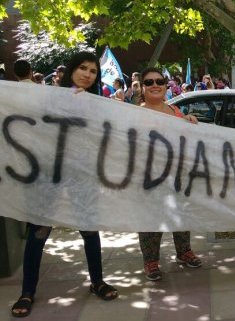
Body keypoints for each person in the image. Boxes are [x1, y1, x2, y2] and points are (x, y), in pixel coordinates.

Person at [11, 52, 118, 318]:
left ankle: (97, 282)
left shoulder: (98, 103)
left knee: (90, 230)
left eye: (93, 71)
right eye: (83, 68)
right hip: (49, 175)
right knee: (39, 231)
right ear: (72, 69)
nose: (87, 74)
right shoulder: (48, 98)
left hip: (82, 176)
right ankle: (27, 291)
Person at [138, 67, 202, 281]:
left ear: (166, 85)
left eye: (159, 81)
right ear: (142, 87)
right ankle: (151, 262)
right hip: (148, 177)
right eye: (149, 82)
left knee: (180, 213)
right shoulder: (134, 113)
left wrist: (190, 120)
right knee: (150, 219)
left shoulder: (175, 112)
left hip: (176, 175)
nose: (155, 85)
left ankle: (184, 252)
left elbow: (187, 139)